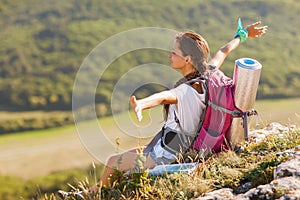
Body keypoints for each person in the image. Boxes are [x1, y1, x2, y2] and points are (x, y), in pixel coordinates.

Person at [58, 19, 267, 198]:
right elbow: (224, 50)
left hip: (168, 154)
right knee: (122, 167)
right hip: (173, 146)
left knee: (114, 163)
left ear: (187, 59)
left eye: (174, 53)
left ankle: (97, 195)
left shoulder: (186, 90)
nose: (169, 55)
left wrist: (141, 104)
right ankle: (81, 195)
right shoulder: (209, 73)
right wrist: (243, 34)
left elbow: (163, 97)